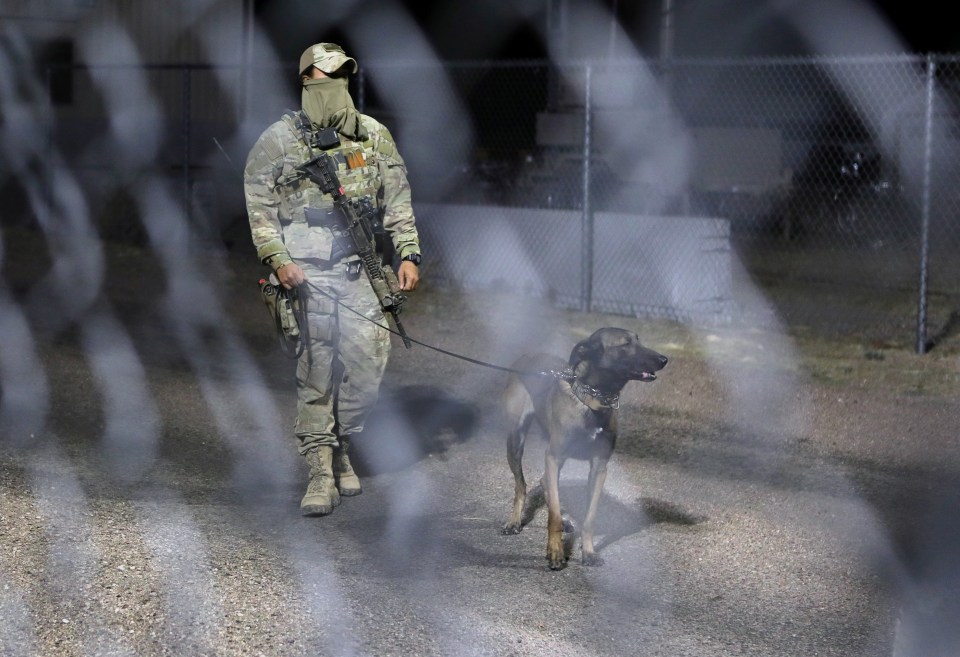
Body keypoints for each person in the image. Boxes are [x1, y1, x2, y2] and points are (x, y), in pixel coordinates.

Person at [244, 42, 422, 517]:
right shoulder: (277, 141)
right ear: (306, 80)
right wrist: (278, 258)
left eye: (342, 76)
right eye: (325, 77)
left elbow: (398, 199)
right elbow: (259, 210)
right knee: (316, 372)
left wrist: (408, 252)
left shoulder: (372, 135)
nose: (334, 85)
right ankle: (321, 467)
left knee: (367, 372)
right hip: (309, 277)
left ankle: (344, 442)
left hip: (363, 273)